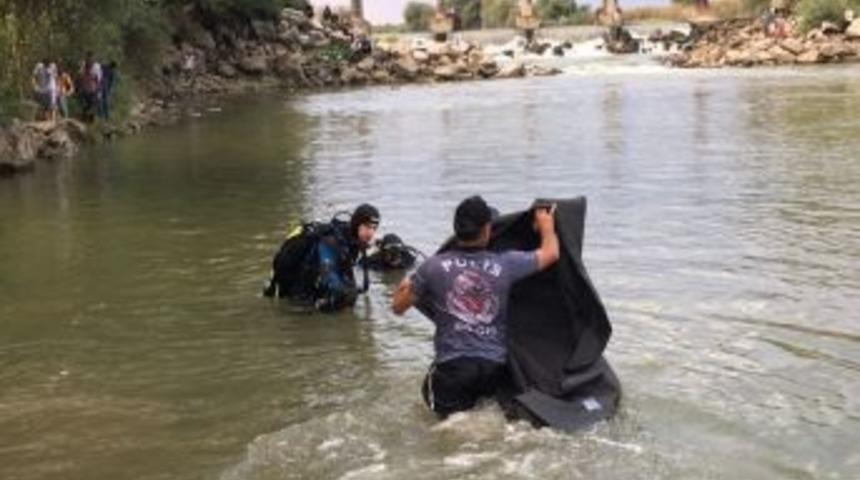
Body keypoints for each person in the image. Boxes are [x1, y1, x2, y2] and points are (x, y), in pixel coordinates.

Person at [391, 196, 559, 418]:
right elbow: (551, 253)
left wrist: (402, 288)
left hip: (452, 370)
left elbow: (398, 308)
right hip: (494, 370)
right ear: (488, 228)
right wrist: (546, 226)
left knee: (444, 423)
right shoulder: (506, 263)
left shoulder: (433, 266)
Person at [265, 204, 381, 312]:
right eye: (367, 226)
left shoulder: (352, 242)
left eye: (374, 228)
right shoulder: (331, 242)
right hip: (298, 297)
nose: (371, 233)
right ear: (356, 224)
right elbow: (330, 280)